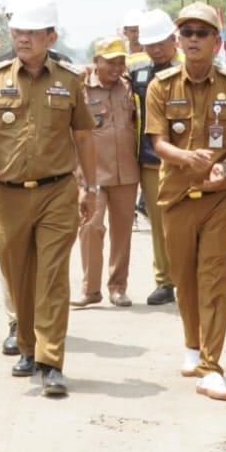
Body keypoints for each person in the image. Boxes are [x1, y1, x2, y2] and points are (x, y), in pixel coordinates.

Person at [0, 0, 97, 397]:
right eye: (18, 31)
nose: (23, 39)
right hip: (7, 194)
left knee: (53, 277)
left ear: (50, 38)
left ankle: (50, 360)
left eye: (32, 33)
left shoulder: (70, 81)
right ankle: (26, 345)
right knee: (18, 275)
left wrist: (89, 186)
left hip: (57, 191)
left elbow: (84, 137)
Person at [146, 4, 226, 402]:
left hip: (219, 198)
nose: (193, 38)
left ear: (217, 41)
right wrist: (185, 158)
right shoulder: (161, 86)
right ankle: (193, 346)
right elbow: (158, 141)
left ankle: (212, 367)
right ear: (177, 40)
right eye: (187, 32)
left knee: (214, 279)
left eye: (202, 32)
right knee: (185, 276)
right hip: (176, 194)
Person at [74, 37, 140, 308]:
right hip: (93, 173)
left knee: (122, 231)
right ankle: (90, 289)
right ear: (96, 61)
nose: (116, 67)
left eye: (121, 61)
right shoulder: (81, 89)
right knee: (91, 227)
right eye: (110, 61)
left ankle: (118, 287)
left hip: (126, 172)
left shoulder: (130, 87)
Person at [130, 8, 182, 306]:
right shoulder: (137, 71)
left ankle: (190, 276)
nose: (156, 49)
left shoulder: (190, 68)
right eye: (150, 44)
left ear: (173, 39)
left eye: (161, 41)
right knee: (159, 224)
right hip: (150, 160)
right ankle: (165, 281)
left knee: (186, 222)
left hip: (183, 160)